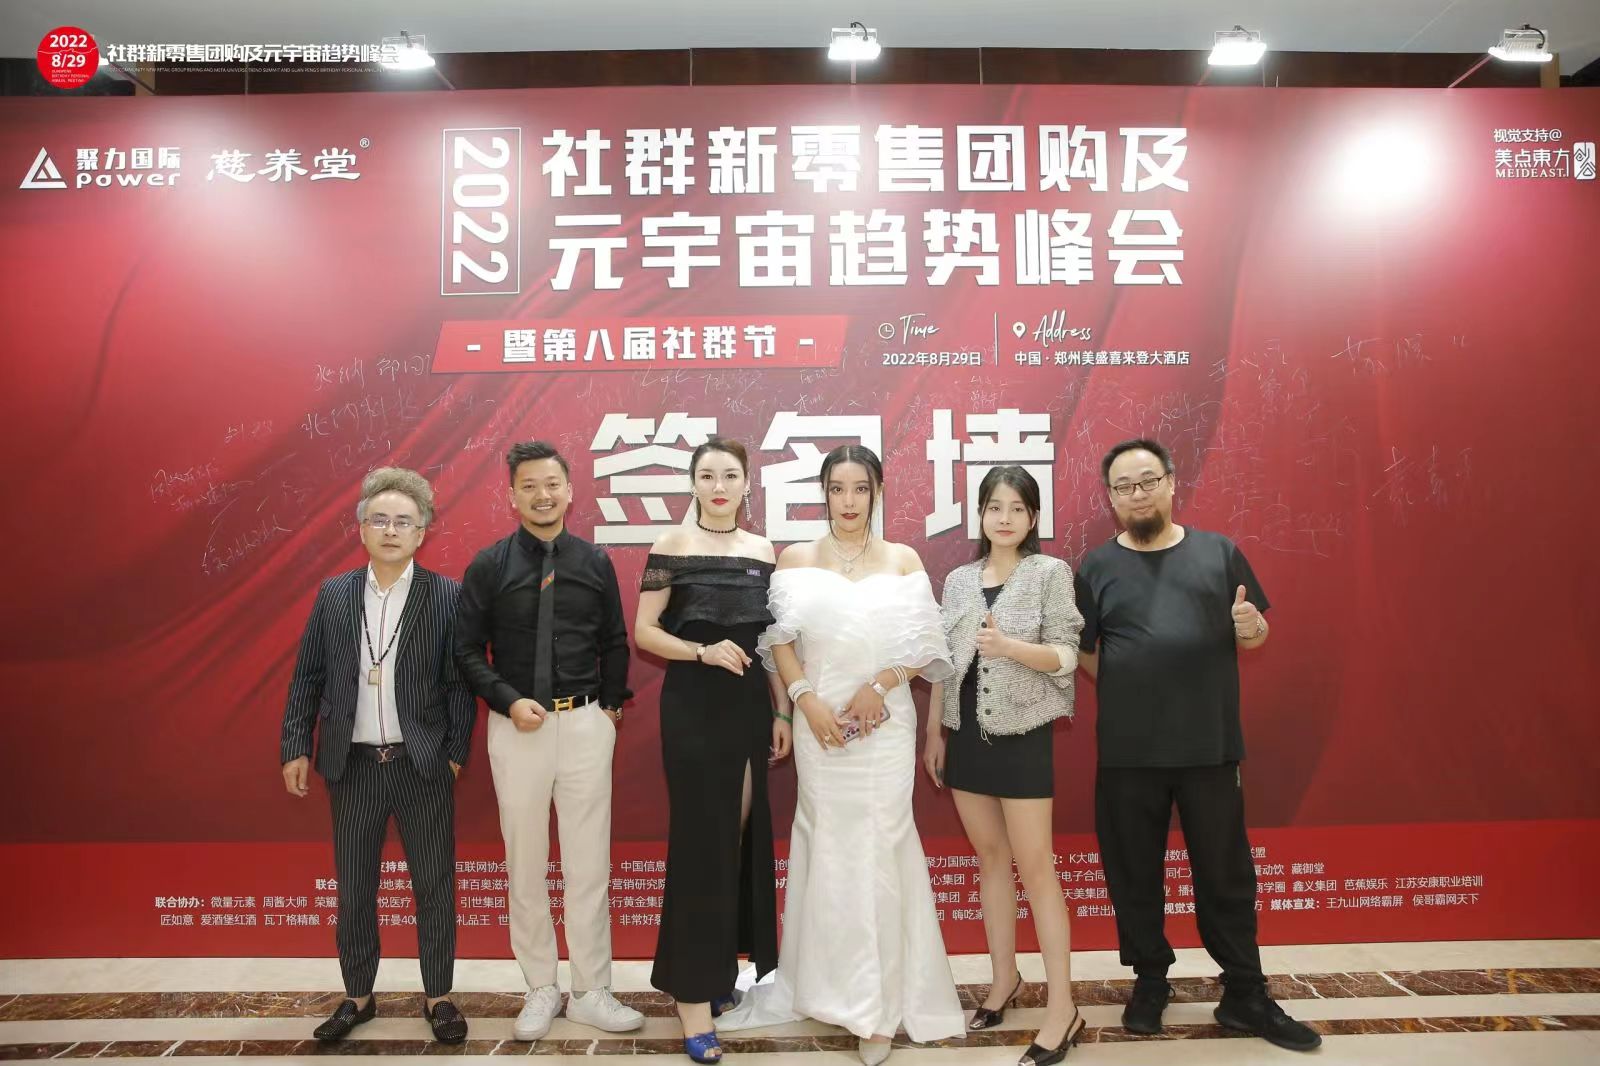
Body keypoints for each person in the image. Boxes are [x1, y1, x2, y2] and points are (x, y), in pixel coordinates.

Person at [715, 444, 964, 1065]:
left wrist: (880, 686)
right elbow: (780, 642)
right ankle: (823, 987)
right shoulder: (797, 558)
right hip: (820, 725)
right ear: (823, 493)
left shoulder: (903, 559)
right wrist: (805, 702)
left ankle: (876, 1009)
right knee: (825, 843)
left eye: (860, 489)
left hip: (885, 724)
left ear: (876, 492)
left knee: (882, 844)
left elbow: (925, 645)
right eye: (837, 489)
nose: (848, 502)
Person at [1074, 438, 1320, 1053]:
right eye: (1124, 487)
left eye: (1147, 481)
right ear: (1111, 498)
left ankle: (1245, 993)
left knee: (1225, 874)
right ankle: (1150, 981)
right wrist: (1132, 686)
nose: (1137, 495)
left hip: (1209, 746)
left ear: (1170, 482)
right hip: (1129, 752)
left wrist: (1252, 628)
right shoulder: (1095, 568)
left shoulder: (1219, 553)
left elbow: (1255, 632)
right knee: (1134, 873)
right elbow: (1084, 651)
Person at [455, 441, 643, 1042]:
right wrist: (507, 699)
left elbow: (614, 641)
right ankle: (540, 985)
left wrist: (608, 709)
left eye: (552, 484)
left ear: (569, 490)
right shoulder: (489, 565)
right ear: (512, 495)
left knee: (589, 864)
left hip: (585, 724)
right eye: (530, 486)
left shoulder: (594, 561)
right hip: (517, 728)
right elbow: (465, 650)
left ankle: (591, 990)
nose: (543, 495)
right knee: (526, 862)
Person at [279, 467, 474, 1045]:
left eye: (403, 521)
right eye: (380, 519)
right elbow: (307, 675)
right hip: (353, 764)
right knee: (355, 888)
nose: (391, 530)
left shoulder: (446, 596)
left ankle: (438, 996)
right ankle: (358, 997)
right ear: (362, 528)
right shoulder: (334, 594)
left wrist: (453, 755)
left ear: (422, 532)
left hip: (421, 765)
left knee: (434, 885)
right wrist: (295, 745)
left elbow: (460, 685)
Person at [633, 437, 789, 1063]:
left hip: (748, 707)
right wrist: (700, 650)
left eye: (729, 475)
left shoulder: (762, 550)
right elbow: (644, 631)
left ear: (747, 483)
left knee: (735, 840)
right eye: (707, 475)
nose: (718, 486)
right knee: (702, 844)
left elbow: (770, 639)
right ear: (692, 483)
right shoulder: (671, 544)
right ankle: (692, 997)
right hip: (693, 706)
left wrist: (781, 708)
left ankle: (719, 969)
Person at [924, 465, 1085, 1065]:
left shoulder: (1050, 573)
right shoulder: (958, 580)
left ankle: (1063, 1007)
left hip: (1023, 738)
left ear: (1034, 517)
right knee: (990, 860)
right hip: (966, 737)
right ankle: (1003, 980)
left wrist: (1011, 647)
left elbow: (1067, 655)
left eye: (1018, 508)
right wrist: (936, 733)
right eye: (995, 507)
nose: (1006, 518)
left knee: (1036, 868)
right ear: (981, 515)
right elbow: (943, 661)